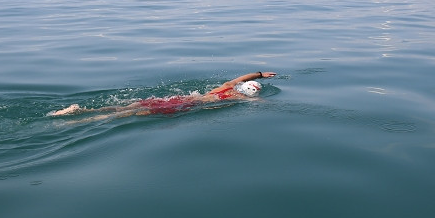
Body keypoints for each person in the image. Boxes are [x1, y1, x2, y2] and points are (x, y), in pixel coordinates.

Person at [51, 71, 278, 119]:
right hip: (180, 108)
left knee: (126, 106)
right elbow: (261, 104)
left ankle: (80, 110)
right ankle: (85, 118)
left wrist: (259, 74)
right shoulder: (236, 99)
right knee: (128, 115)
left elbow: (239, 78)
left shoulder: (226, 87)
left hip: (172, 100)